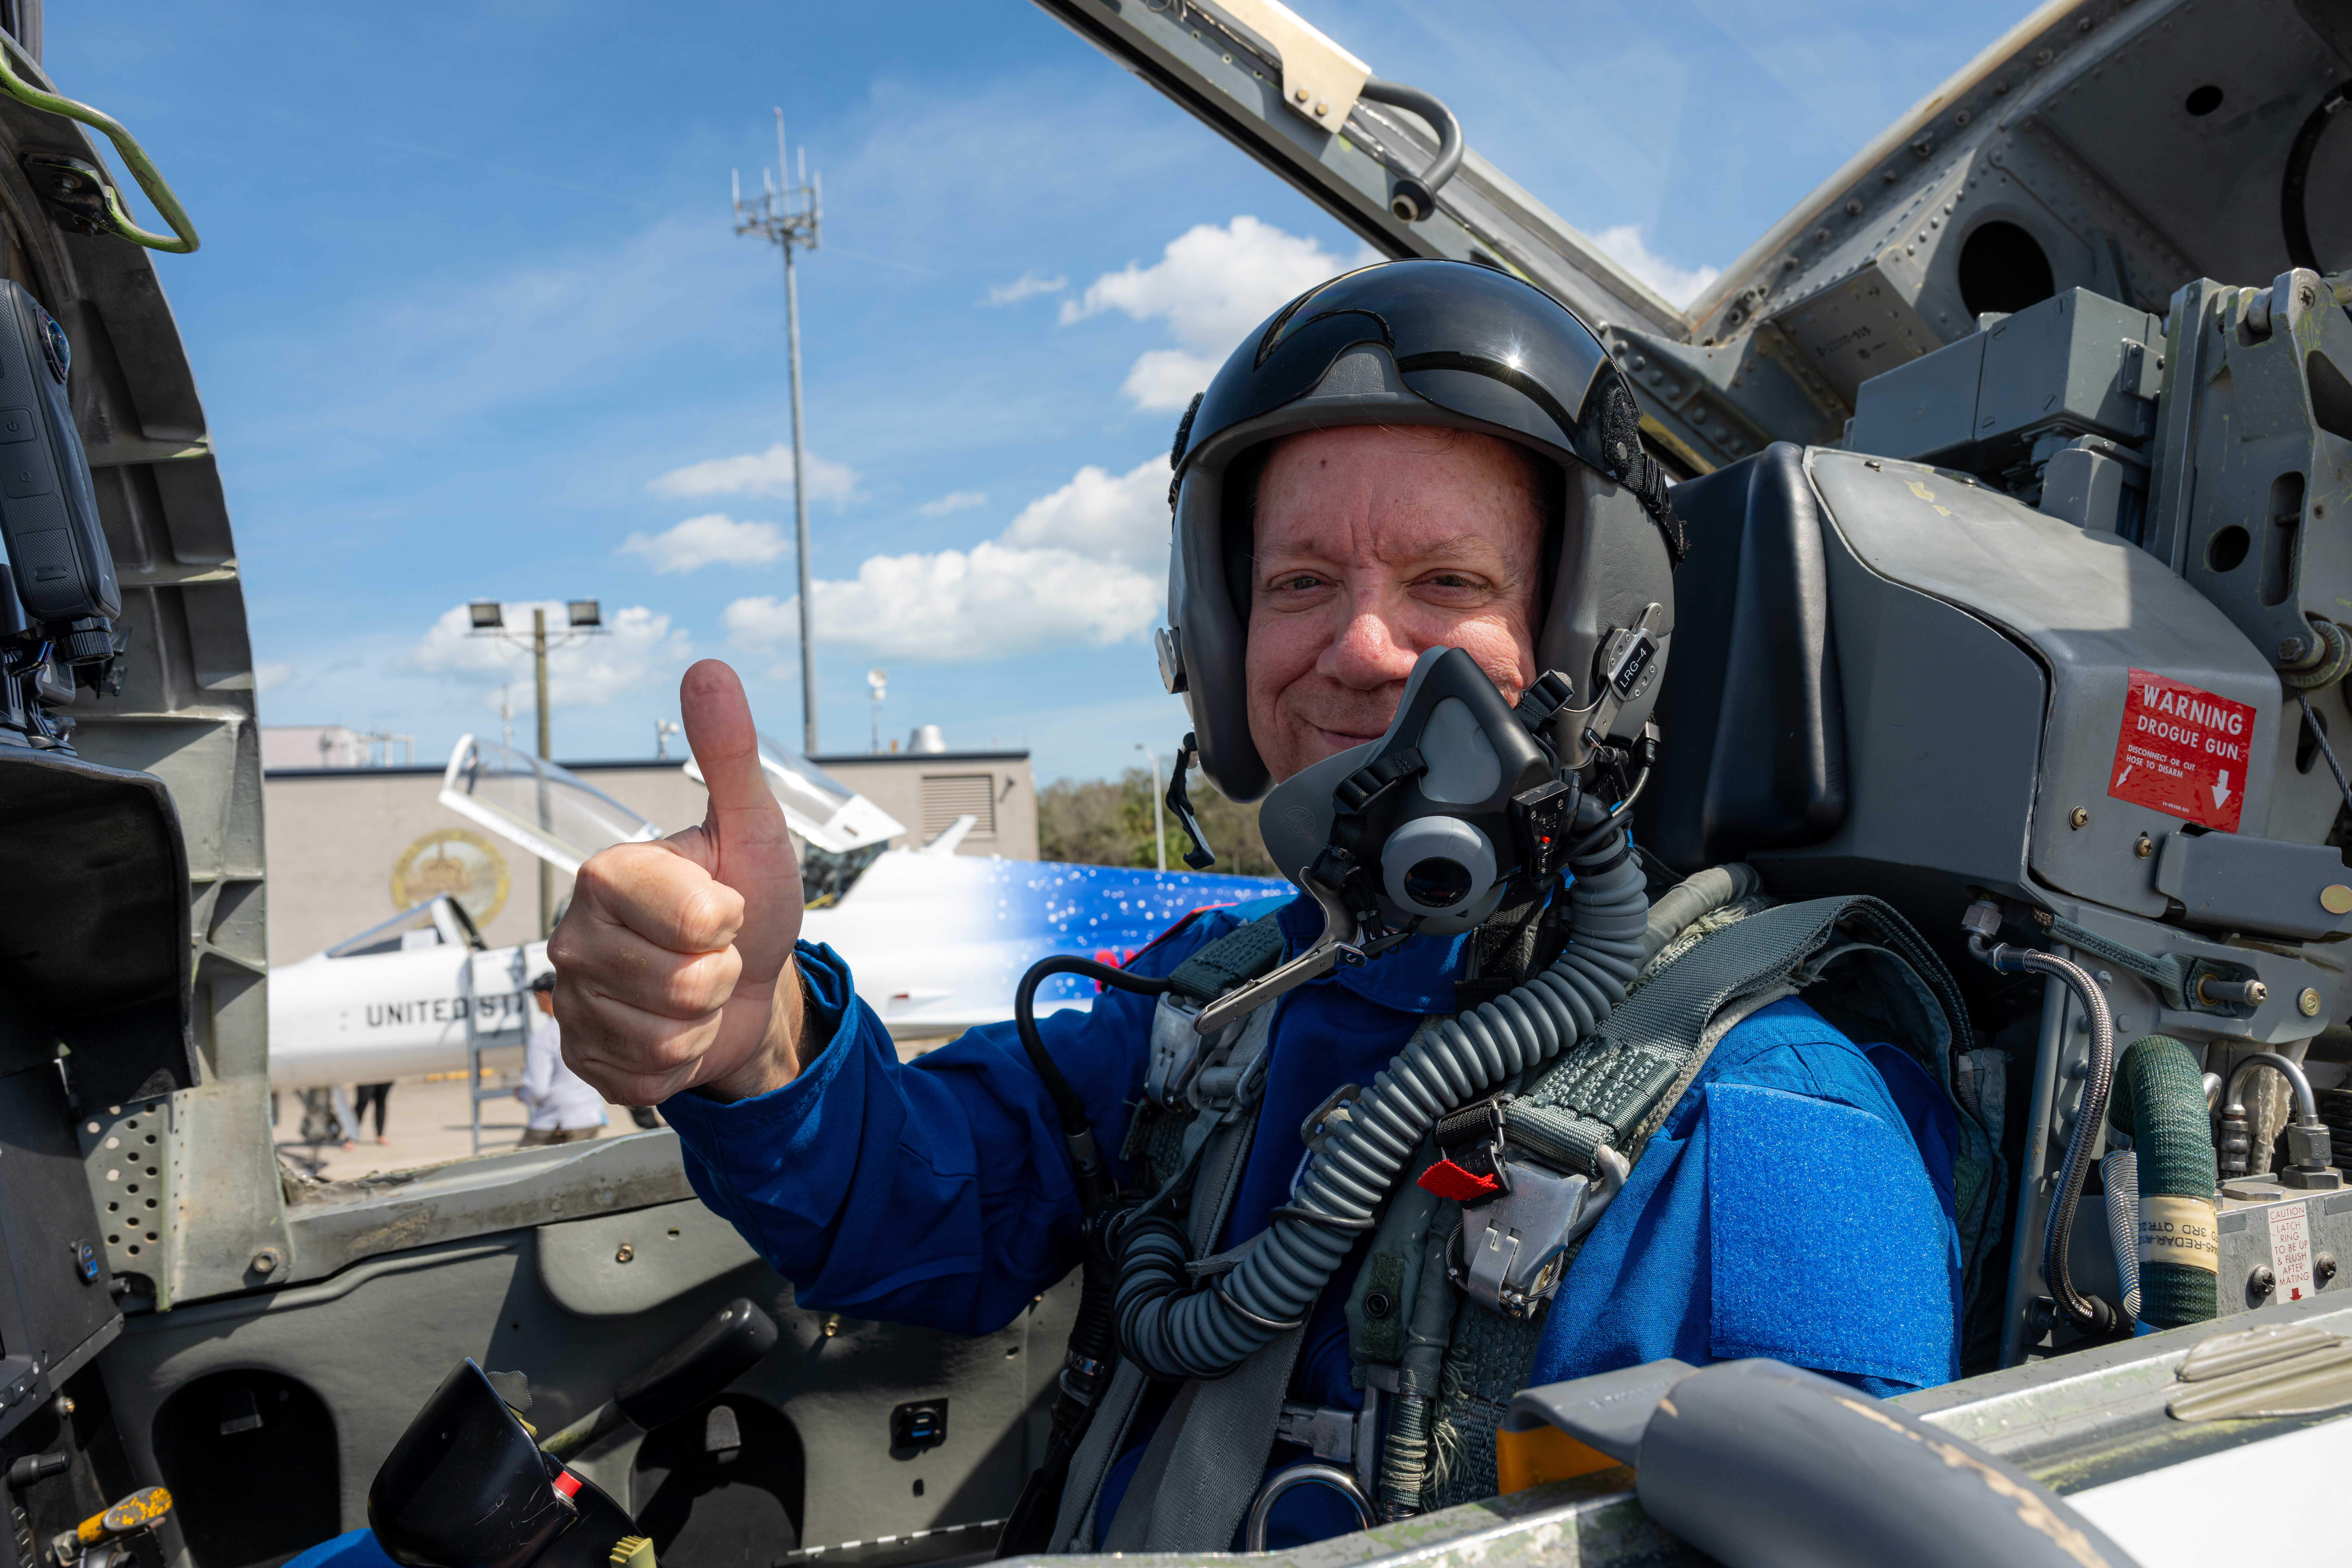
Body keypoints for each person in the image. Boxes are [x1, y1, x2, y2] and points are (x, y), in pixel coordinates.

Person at [550, 261, 1962, 1552]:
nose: (1356, 644)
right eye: (1298, 583)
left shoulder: (1762, 1122)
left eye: (1445, 581)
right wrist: (761, 1037)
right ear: (1224, 645)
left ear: (1592, 646)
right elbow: (914, 1210)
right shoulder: (1209, 1006)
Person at [518, 973, 606, 1146]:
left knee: (519, 1168)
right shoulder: (589, 1027)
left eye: (535, 996)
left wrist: (521, 1094)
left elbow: (537, 1090)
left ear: (545, 995)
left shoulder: (543, 1037)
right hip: (590, 1117)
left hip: (557, 1122)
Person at [351, 1082, 393, 1146]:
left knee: (381, 1102)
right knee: (362, 1103)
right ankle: (351, 1136)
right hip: (367, 1076)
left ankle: (381, 1135)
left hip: (384, 1075)